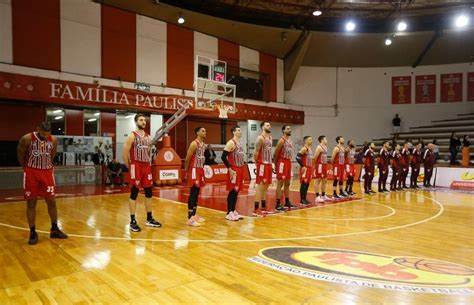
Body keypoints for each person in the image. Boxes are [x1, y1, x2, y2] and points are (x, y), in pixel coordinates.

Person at [17, 122, 68, 245]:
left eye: (47, 134)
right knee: (31, 202)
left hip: (47, 172)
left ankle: (54, 229)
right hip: (31, 172)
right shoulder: (27, 139)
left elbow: (52, 154)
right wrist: (25, 167)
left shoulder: (53, 140)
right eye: (42, 134)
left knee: (51, 200)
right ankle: (33, 232)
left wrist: (46, 166)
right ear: (38, 129)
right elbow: (20, 153)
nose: (45, 136)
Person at [122, 114, 161, 232]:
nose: (143, 122)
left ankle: (149, 218)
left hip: (146, 166)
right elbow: (124, 155)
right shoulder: (131, 136)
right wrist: (131, 167)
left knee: (149, 192)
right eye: (141, 120)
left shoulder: (149, 137)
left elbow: (149, 153)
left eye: (144, 120)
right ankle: (132, 221)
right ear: (136, 122)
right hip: (136, 165)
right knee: (134, 192)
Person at [184, 127, 207, 226]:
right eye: (202, 131)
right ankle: (189, 218)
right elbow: (187, 158)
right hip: (193, 169)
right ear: (197, 133)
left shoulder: (203, 145)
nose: (205, 132)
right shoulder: (194, 143)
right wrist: (186, 171)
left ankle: (194, 214)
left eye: (205, 131)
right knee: (193, 192)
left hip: (200, 169)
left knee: (197, 192)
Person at [221, 126, 245, 221]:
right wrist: (229, 168)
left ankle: (233, 210)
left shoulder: (240, 143)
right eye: (238, 130)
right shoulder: (231, 143)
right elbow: (223, 157)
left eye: (240, 130)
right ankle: (229, 212)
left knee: (237, 191)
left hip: (240, 169)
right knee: (232, 191)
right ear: (234, 132)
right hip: (234, 169)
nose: (240, 131)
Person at [274, 125, 297, 211]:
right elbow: (275, 153)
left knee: (287, 183)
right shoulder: (281, 140)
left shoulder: (289, 141)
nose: (289, 130)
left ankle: (287, 202)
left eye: (290, 129)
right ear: (283, 131)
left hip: (288, 162)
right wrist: (276, 164)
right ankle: (278, 203)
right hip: (282, 162)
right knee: (280, 183)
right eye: (287, 129)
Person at [253, 121, 273, 216]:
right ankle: (256, 208)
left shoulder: (270, 138)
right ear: (262, 127)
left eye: (269, 125)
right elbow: (256, 152)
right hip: (262, 164)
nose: (269, 126)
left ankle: (264, 206)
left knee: (266, 186)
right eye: (267, 125)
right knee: (260, 186)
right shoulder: (260, 138)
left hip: (269, 164)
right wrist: (258, 163)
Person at [296, 136, 313, 206]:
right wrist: (302, 166)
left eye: (311, 139)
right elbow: (297, 157)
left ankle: (305, 199)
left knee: (307, 184)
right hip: (305, 168)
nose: (311, 141)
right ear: (305, 141)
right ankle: (301, 200)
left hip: (309, 168)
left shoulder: (310, 148)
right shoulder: (304, 148)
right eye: (309, 139)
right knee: (304, 183)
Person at [314, 135, 331, 203]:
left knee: (325, 180)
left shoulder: (325, 147)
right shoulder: (319, 147)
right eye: (325, 139)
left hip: (324, 165)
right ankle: (317, 196)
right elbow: (315, 157)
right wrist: (315, 166)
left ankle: (323, 195)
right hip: (320, 165)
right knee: (318, 180)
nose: (326, 140)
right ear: (322, 140)